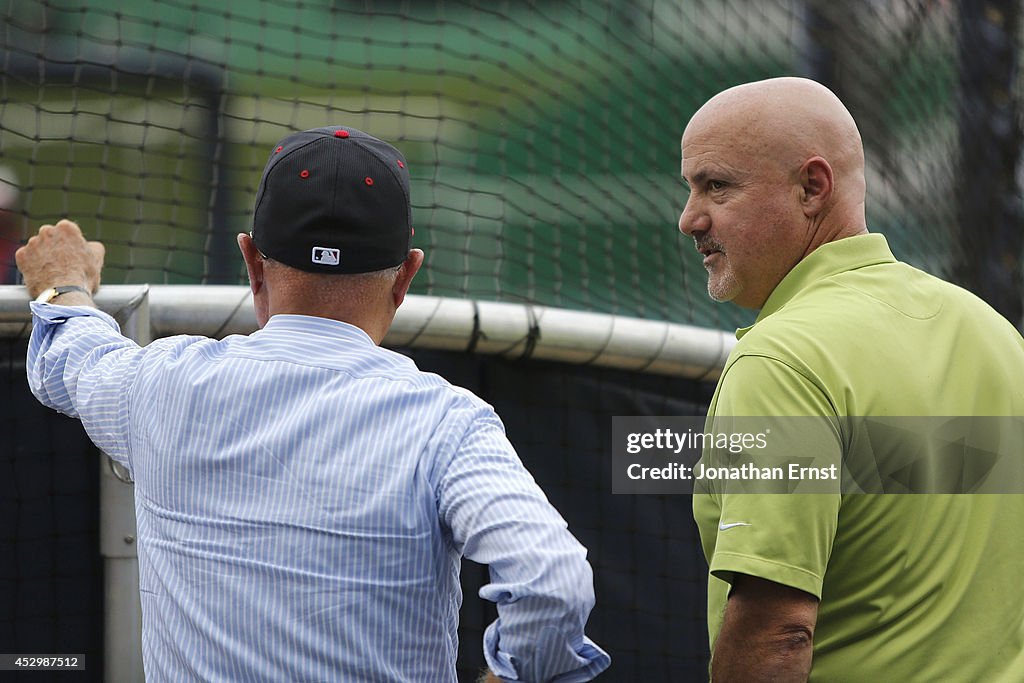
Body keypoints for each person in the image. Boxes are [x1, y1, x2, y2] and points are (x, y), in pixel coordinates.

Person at [16, 126, 610, 682]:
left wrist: (62, 282)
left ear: (251, 261)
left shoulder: (161, 384)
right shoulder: (447, 424)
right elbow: (552, 585)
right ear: (406, 276)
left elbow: (73, 356)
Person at [678, 77, 1024, 682]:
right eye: (691, 189)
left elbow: (777, 632)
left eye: (717, 186)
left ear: (813, 187)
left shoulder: (781, 363)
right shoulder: (996, 335)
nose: (690, 218)